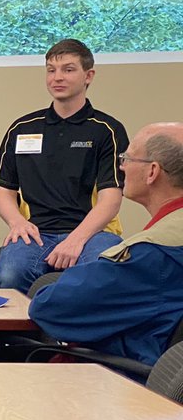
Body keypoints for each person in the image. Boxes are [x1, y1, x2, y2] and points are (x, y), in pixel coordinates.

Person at [29, 123, 183, 366]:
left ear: (152, 172)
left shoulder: (152, 253)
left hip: (118, 384)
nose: (121, 166)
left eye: (128, 158)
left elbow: (52, 308)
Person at [0, 38, 129, 294]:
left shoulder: (107, 130)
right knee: (10, 276)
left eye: (68, 69)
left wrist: (76, 240)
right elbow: (4, 190)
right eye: (51, 70)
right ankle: (29, 337)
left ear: (89, 76)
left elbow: (111, 199)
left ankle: (84, 335)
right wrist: (16, 223)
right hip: (36, 233)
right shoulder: (22, 128)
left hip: (93, 234)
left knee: (103, 278)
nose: (57, 77)